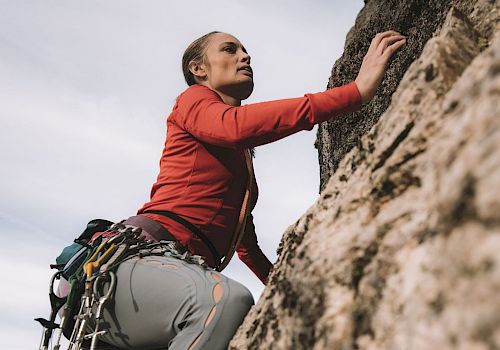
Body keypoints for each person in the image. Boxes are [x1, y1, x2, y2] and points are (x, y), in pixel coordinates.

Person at [59, 30, 406, 350]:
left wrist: (282, 289)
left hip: (157, 287)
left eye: (245, 50)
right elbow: (235, 127)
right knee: (224, 300)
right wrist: (355, 92)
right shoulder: (193, 100)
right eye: (230, 49)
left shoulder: (238, 159)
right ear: (199, 69)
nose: (245, 56)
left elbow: (245, 245)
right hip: (132, 266)